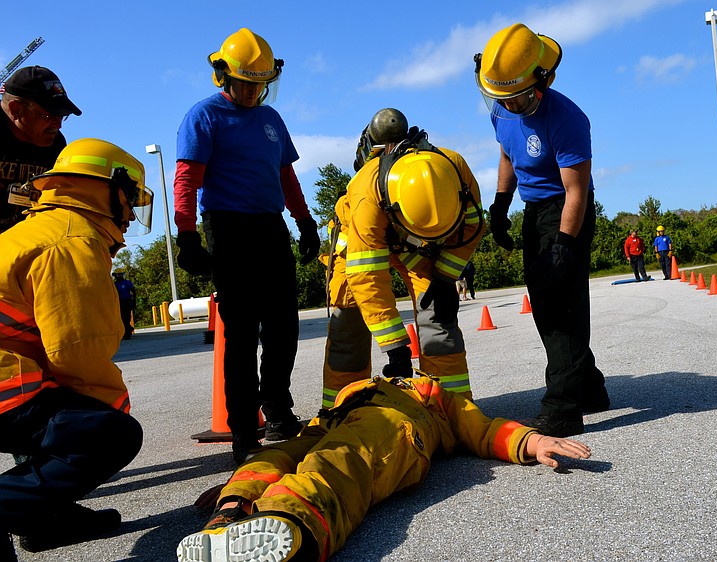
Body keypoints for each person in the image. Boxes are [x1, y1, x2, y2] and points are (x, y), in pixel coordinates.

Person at [176, 373, 592, 562]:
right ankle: (228, 520)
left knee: (338, 461)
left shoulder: (431, 392)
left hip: (396, 427)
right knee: (274, 457)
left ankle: (292, 525)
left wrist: (530, 440)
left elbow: (481, 429)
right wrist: (239, 485)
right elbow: (301, 441)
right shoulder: (359, 389)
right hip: (333, 419)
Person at [172, 28, 322, 463]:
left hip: (270, 226)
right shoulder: (204, 117)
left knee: (283, 326)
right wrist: (187, 235)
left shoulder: (271, 120)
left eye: (262, 85)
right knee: (240, 333)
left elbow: (285, 176)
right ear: (223, 76)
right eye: (247, 84)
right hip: (228, 228)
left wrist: (305, 221)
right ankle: (243, 431)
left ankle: (277, 411)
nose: (255, 92)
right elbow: (187, 179)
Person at [0, 138, 152, 560]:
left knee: (55, 414)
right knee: (109, 436)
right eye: (131, 201)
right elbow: (78, 350)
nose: (131, 213)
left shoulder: (36, 229)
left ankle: (41, 518)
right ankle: (21, 509)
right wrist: (109, 413)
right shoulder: (73, 242)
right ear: (114, 191)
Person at [474, 23, 609, 438]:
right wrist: (500, 204)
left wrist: (565, 246)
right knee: (545, 304)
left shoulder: (567, 119)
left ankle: (563, 409)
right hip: (533, 211)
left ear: (540, 82)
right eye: (504, 99)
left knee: (561, 308)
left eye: (519, 98)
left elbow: (575, 190)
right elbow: (507, 154)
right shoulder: (503, 106)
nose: (511, 107)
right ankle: (589, 386)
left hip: (566, 210)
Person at [321, 108, 484, 410]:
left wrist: (447, 277)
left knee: (437, 317)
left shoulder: (452, 167)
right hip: (356, 251)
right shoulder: (366, 191)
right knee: (349, 331)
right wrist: (395, 346)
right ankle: (340, 410)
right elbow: (367, 276)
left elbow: (473, 224)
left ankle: (453, 408)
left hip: (416, 247)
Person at [1, 65, 81, 234]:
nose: (58, 125)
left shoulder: (56, 144)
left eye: (62, 117)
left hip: (20, 246)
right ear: (16, 109)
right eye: (49, 116)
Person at [112, 268, 137, 339]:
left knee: (127, 317)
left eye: (120, 274)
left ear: (122, 274)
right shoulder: (114, 284)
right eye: (118, 274)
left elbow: (133, 292)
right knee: (121, 318)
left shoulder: (127, 283)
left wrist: (134, 301)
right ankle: (128, 329)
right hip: (119, 303)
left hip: (127, 302)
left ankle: (127, 332)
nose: (119, 276)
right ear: (115, 275)